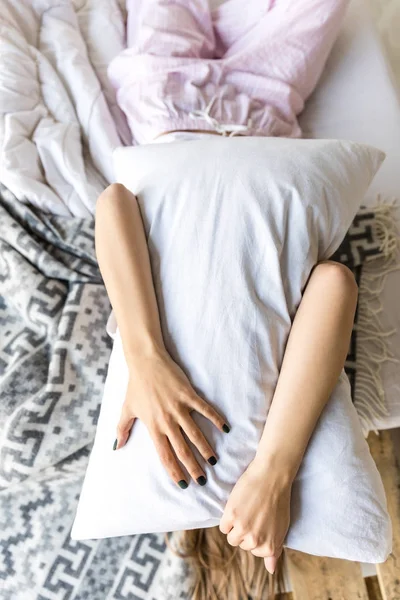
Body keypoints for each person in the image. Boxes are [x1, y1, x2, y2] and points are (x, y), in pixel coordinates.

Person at [95, 1, 354, 598]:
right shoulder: (293, 432)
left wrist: (147, 358)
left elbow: (113, 204)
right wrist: (274, 470)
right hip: (265, 125)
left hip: (168, 114)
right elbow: (334, 283)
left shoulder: (142, 424)